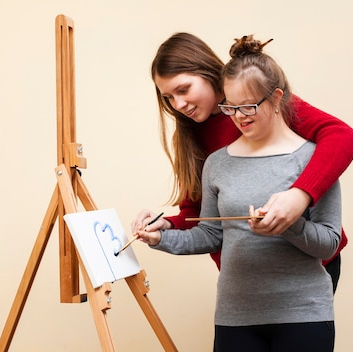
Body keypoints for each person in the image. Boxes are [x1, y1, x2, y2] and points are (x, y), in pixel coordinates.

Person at [135, 34, 341, 352]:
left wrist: (299, 197)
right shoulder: (198, 143)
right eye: (168, 97)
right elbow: (204, 219)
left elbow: (340, 136)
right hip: (241, 298)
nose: (178, 104)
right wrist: (167, 228)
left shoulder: (272, 106)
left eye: (183, 89)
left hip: (303, 277)